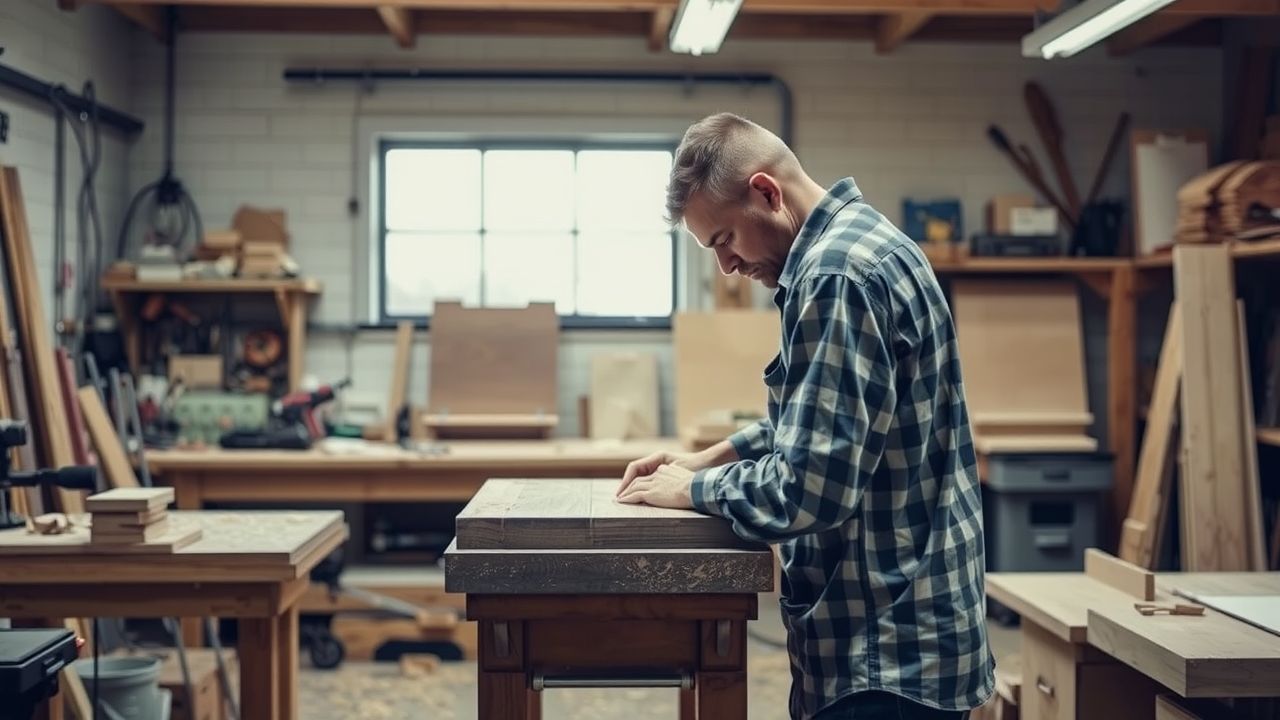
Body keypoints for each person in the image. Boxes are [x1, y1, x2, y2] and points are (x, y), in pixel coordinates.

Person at [616, 113, 993, 720]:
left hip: (883, 656)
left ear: (766, 192)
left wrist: (693, 489)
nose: (728, 268)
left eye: (724, 241)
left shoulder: (834, 276)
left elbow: (810, 488)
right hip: (915, 637)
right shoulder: (872, 241)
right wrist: (720, 455)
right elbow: (837, 411)